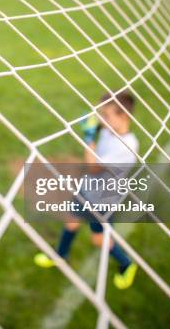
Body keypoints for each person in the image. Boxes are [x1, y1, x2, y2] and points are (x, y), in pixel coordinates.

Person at [34, 91, 139, 290]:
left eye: (106, 115)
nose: (102, 119)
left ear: (124, 116)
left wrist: (89, 137)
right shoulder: (110, 129)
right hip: (88, 188)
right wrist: (94, 119)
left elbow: (93, 167)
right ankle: (60, 256)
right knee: (71, 221)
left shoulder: (127, 146)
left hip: (103, 199)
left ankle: (126, 264)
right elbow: (101, 123)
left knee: (98, 238)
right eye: (101, 114)